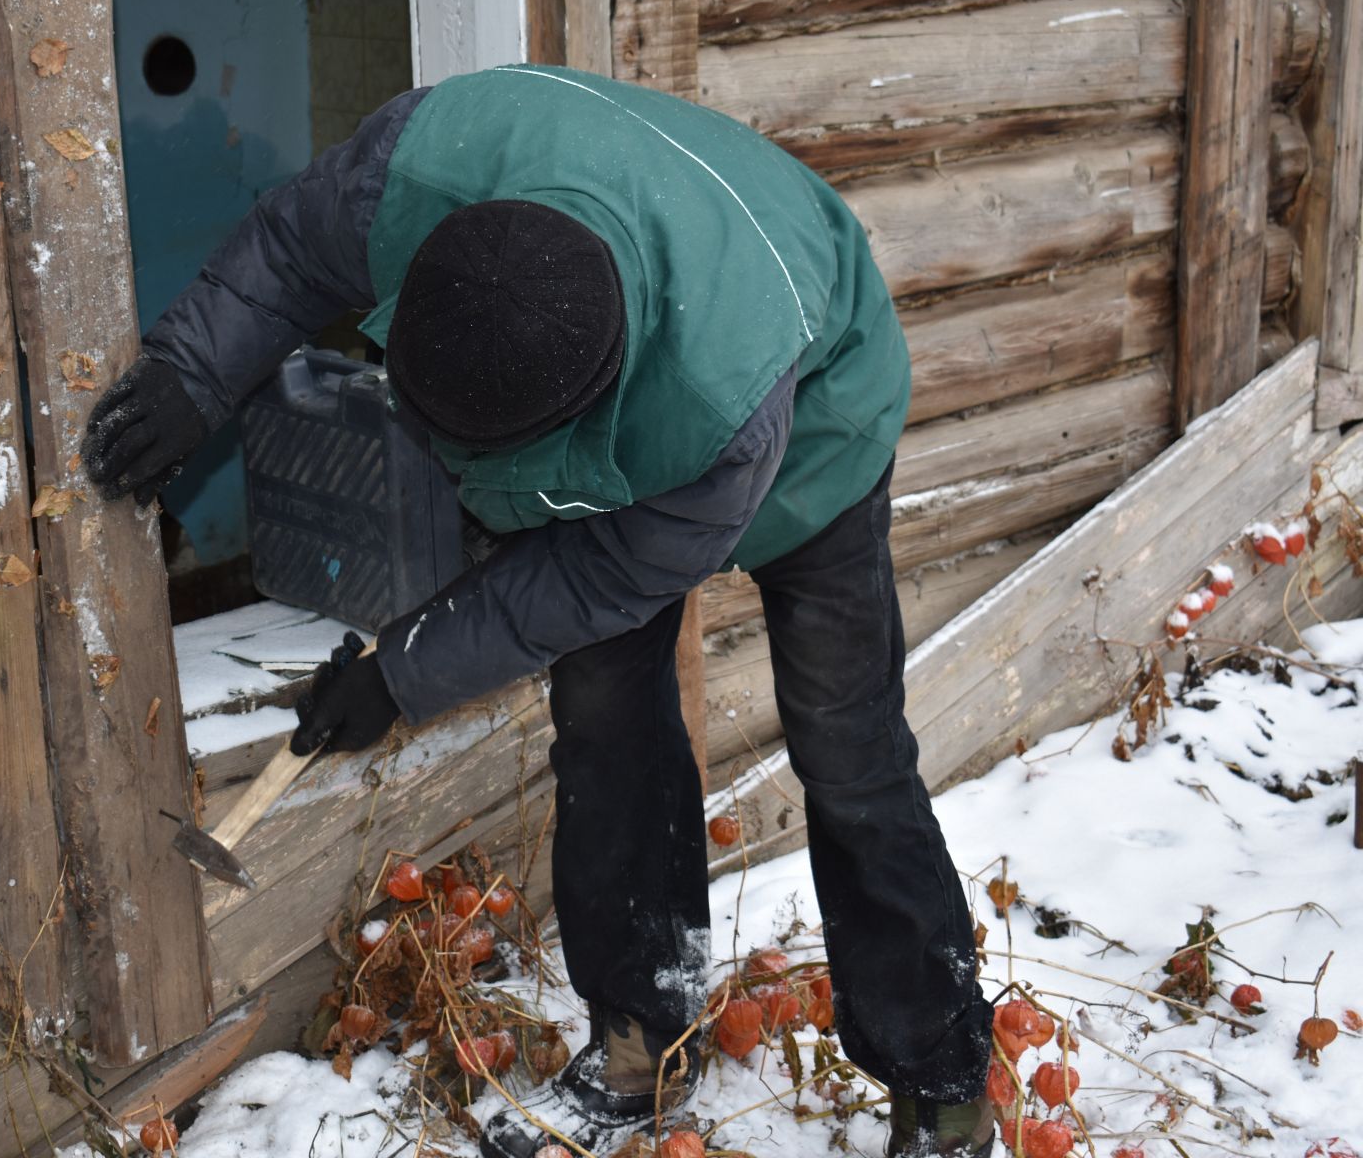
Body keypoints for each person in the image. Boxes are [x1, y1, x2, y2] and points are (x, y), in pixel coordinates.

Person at [81, 65, 995, 1157]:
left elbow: (578, 580)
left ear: (576, 419)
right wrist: (193, 371)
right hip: (642, 334)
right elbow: (283, 251)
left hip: (819, 416)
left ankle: (938, 1074)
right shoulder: (406, 180)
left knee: (848, 747)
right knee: (607, 724)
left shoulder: (716, 414)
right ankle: (641, 1040)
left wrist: (401, 670)